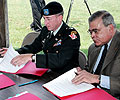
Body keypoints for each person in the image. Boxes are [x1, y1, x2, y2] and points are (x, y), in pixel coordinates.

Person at [0, 1, 80, 74]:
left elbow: (60, 60)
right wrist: (14, 53)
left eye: (48, 19)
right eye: (44, 19)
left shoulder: (70, 35)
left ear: (60, 18)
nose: (45, 23)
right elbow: (33, 47)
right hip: (49, 74)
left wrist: (32, 57)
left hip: (67, 77)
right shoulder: (46, 31)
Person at [72, 10, 120, 98]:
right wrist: (82, 73)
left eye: (96, 31)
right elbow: (89, 71)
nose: (92, 36)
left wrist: (97, 79)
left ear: (110, 28)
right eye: (90, 32)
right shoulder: (93, 48)